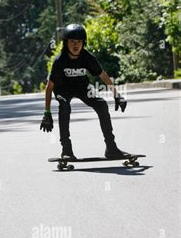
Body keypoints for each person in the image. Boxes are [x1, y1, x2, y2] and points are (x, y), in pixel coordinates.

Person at [40, 23, 129, 159]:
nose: (76, 45)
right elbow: (49, 87)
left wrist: (117, 95)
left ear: (83, 43)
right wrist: (47, 112)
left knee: (102, 105)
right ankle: (66, 151)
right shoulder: (60, 60)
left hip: (82, 86)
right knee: (64, 106)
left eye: (79, 42)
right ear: (66, 43)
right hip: (62, 88)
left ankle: (111, 148)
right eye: (72, 42)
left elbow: (103, 75)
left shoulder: (87, 57)